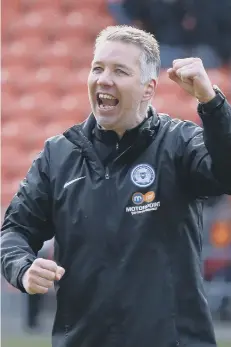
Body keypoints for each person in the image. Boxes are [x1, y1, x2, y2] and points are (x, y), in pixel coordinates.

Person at [1, 25, 231, 347]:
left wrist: (212, 102)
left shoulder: (178, 143)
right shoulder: (59, 154)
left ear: (148, 88)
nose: (103, 79)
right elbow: (14, 231)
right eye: (98, 68)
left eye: (119, 71)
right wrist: (23, 268)